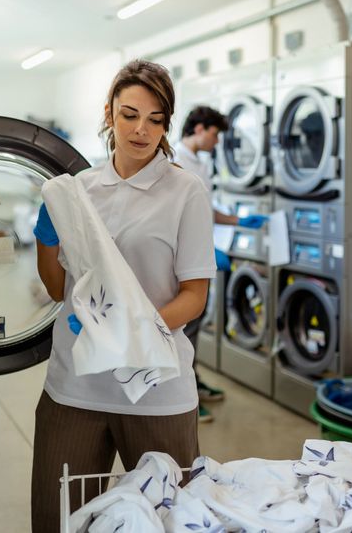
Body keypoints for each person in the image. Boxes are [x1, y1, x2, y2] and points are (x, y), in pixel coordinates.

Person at [30, 60, 216, 533]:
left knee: (170, 521)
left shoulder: (185, 191)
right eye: (130, 114)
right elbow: (58, 289)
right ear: (109, 113)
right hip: (76, 385)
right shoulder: (79, 191)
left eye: (156, 119)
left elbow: (194, 295)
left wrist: (124, 332)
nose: (141, 129)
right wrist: (46, 240)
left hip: (156, 389)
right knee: (60, 521)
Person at [173, 105, 268, 423]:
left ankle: (192, 381)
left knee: (195, 324)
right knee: (184, 327)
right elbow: (174, 215)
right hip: (183, 257)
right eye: (215, 134)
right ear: (199, 129)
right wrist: (204, 249)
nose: (217, 142)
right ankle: (181, 393)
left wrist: (241, 221)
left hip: (200, 252)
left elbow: (205, 210)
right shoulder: (175, 160)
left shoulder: (200, 163)